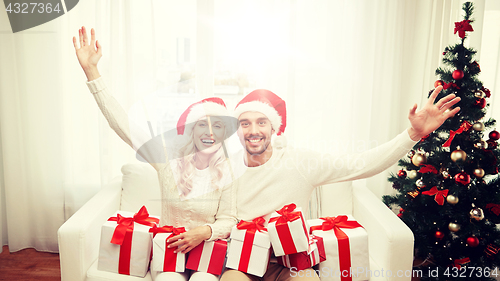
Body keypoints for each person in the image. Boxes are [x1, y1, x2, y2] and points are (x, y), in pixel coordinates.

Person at [221, 88, 460, 281]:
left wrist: (412, 134)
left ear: (273, 128)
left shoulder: (299, 162)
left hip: (290, 265)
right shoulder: (227, 170)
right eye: (245, 123)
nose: (253, 131)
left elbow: (360, 164)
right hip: (243, 265)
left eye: (261, 122)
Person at [73, 26, 237, 281]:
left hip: (206, 255)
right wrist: (92, 72)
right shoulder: (167, 158)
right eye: (201, 124)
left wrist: (203, 231)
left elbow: (229, 220)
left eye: (217, 125)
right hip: (168, 253)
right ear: (191, 131)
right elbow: (123, 126)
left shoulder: (228, 171)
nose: (209, 132)